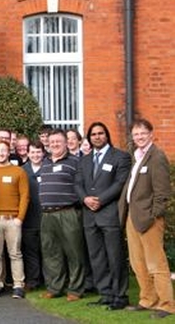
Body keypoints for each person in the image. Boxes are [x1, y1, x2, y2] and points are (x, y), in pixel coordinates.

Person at [119, 119, 175, 319]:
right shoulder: (138, 156)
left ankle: (167, 304)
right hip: (133, 217)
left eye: (143, 133)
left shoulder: (156, 156)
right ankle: (148, 299)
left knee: (156, 263)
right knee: (138, 262)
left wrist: (153, 216)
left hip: (149, 219)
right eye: (136, 134)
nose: (139, 137)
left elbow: (162, 193)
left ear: (151, 134)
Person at [75, 122, 131, 310]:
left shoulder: (120, 157)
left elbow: (120, 183)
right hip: (89, 215)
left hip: (109, 213)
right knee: (97, 257)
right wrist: (85, 199)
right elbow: (78, 184)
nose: (97, 137)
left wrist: (100, 200)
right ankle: (105, 293)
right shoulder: (84, 159)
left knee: (115, 256)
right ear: (89, 138)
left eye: (100, 133)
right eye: (93, 134)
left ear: (106, 135)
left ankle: (120, 295)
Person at [39, 129, 85, 301]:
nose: (55, 144)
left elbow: (81, 186)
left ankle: (75, 289)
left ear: (66, 143)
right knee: (51, 253)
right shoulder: (45, 162)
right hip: (47, 215)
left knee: (74, 252)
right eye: (52, 142)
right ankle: (55, 287)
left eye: (58, 141)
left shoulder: (75, 162)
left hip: (68, 213)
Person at [0, 140, 29, 299]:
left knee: (15, 254)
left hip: (13, 220)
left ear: (8, 151)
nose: (1, 153)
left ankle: (18, 285)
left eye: (4, 150)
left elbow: (25, 196)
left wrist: (20, 218)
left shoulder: (19, 171)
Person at [21, 140, 45, 291]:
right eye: (33, 152)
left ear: (43, 153)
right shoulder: (22, 171)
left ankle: (49, 280)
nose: (35, 155)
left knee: (48, 251)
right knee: (30, 252)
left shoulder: (49, 168)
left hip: (46, 217)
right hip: (29, 218)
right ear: (28, 153)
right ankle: (33, 281)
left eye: (38, 152)